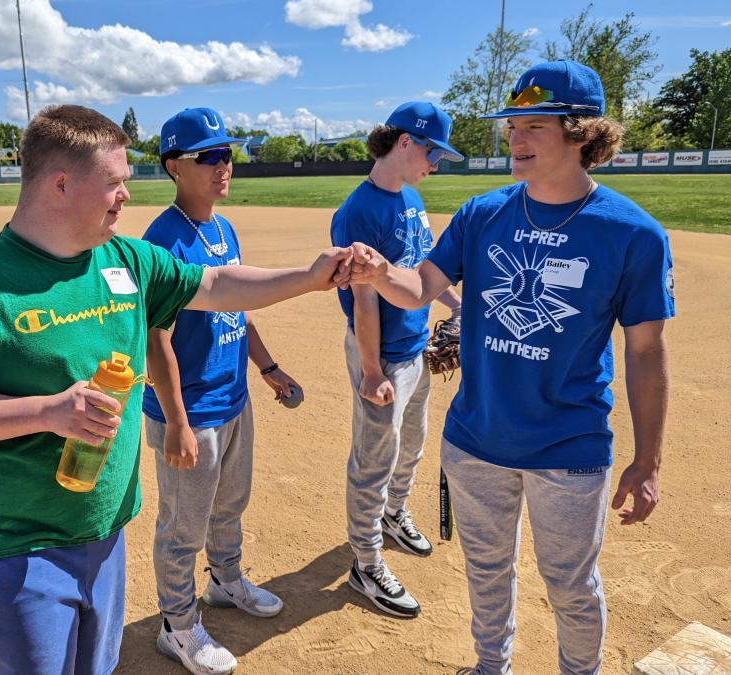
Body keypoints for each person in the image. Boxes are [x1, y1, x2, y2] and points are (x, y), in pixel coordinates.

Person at [0, 105, 350, 675]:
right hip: (10, 546)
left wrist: (310, 276)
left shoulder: (126, 260)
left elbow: (213, 282)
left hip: (103, 531)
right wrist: (50, 411)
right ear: (62, 183)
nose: (126, 197)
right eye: (115, 183)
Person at [340, 60, 674, 675]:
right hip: (475, 440)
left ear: (583, 134)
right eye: (513, 124)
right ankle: (492, 666)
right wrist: (380, 271)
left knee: (571, 586)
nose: (515, 139)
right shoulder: (482, 213)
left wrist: (648, 461)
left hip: (567, 446)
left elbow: (646, 352)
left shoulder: (634, 235)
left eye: (535, 126)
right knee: (487, 571)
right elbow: (419, 288)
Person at [142, 107, 297, 674]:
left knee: (229, 505)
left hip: (232, 398)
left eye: (226, 154)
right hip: (190, 410)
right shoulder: (162, 241)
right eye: (207, 156)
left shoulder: (223, 228)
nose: (222, 165)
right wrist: (178, 422)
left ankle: (225, 582)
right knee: (182, 527)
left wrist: (268, 366)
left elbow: (239, 303)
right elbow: (154, 339)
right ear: (173, 167)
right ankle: (176, 626)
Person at [330, 101, 464, 619]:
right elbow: (365, 298)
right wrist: (369, 370)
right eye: (434, 152)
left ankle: (392, 514)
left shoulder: (410, 198)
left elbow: (422, 273)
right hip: (380, 353)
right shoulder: (359, 211)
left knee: (412, 444)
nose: (438, 164)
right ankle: (365, 563)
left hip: (415, 347)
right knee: (373, 461)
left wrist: (460, 306)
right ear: (405, 143)